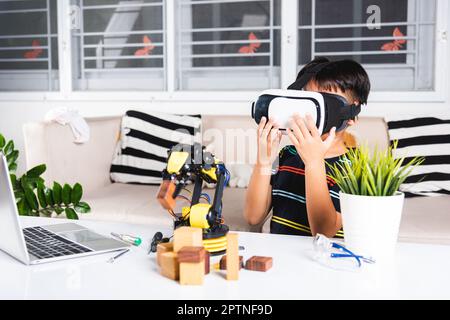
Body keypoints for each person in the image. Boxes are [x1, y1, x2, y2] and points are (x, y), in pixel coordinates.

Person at [244, 57, 371, 238]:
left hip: (324, 262)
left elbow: (323, 232)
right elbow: (253, 217)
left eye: (324, 104)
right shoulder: (287, 154)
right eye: (308, 101)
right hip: (280, 258)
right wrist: (263, 160)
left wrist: (313, 163)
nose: (311, 114)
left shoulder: (356, 168)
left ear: (352, 114)